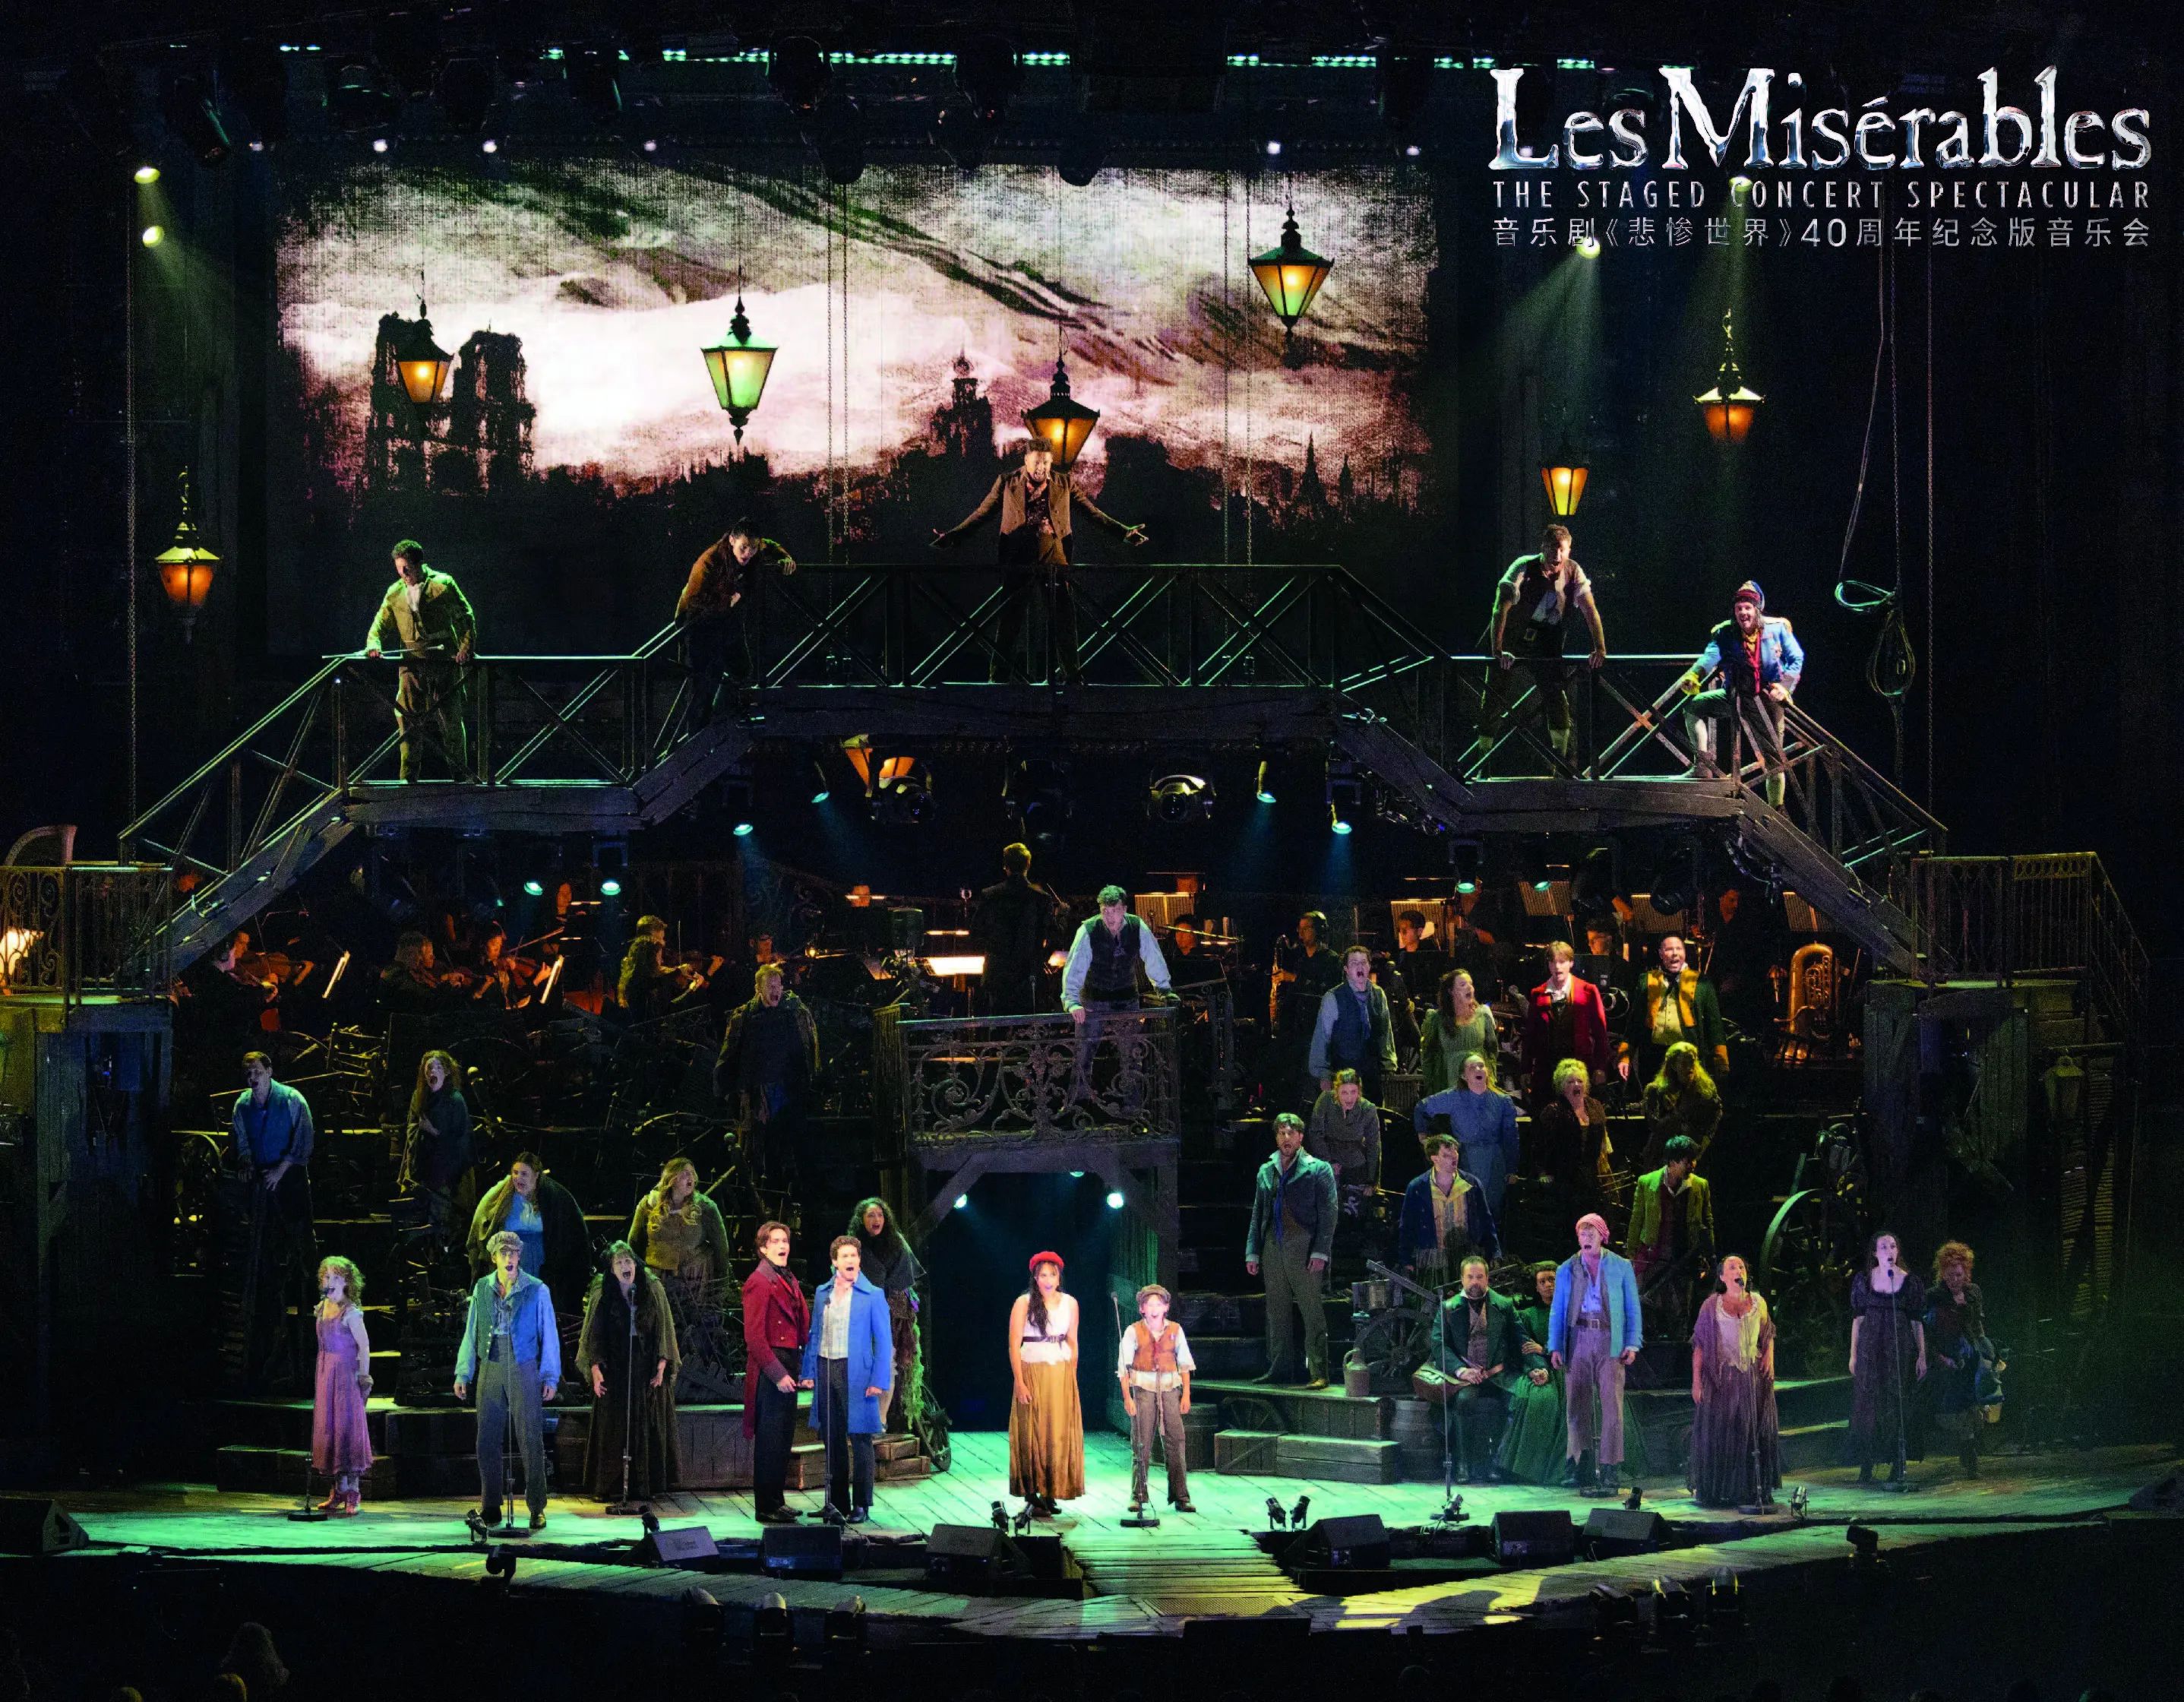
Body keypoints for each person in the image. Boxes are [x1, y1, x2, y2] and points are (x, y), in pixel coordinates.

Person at [931, 438, 1147, 684]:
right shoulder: (1007, 482)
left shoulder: (1065, 482)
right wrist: (954, 536)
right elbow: (983, 513)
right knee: (1010, 620)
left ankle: (1072, 677)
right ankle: (998, 678)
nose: (1040, 468)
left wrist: (1123, 532)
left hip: (1053, 556)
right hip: (1018, 558)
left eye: (1045, 463)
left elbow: (1091, 512)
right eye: (1036, 462)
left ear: (1051, 462)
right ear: (1026, 461)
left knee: (1063, 619)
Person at [1474, 523, 1607, 769]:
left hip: (1546, 643)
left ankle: (1561, 765)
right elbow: (1500, 609)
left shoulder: (1573, 571)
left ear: (1569, 550)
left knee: (1557, 696)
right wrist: (1498, 650)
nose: (1557, 555)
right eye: (1552, 548)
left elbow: (1590, 610)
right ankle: (1482, 763)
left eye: (1562, 549)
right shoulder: (1524, 566)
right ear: (1543, 548)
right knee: (1494, 697)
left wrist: (1600, 648)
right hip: (1512, 638)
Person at [454, 1229, 561, 1532]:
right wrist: (464, 1372)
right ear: (494, 1258)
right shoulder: (482, 1288)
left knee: (530, 1437)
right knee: (487, 1438)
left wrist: (550, 1374)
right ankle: (491, 1505)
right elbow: (471, 1331)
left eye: (513, 1252)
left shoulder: (537, 1289)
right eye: (503, 1253)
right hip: (491, 1363)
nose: (509, 1257)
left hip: (523, 1364)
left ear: (520, 1255)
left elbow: (549, 1333)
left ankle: (537, 1507)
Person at [229, 1052, 318, 1388]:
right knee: (266, 1251)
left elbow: (303, 1141)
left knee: (300, 1241)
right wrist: (246, 1163)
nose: (252, 1077)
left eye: (257, 1071)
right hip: (262, 1183)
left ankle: (312, 1294)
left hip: (290, 1178)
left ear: (269, 1071)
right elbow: (242, 1142)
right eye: (247, 1072)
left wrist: (281, 1171)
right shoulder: (242, 1106)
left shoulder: (292, 1100)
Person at [1680, 578, 1803, 803]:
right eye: (1739, 609)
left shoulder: (1776, 629)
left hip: (1766, 701)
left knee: (1775, 761)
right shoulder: (1726, 633)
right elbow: (1710, 656)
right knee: (1694, 706)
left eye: (1747, 608)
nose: (1743, 613)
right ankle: (1703, 765)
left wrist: (1785, 687)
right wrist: (1694, 675)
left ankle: (1775, 810)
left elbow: (1796, 658)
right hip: (1734, 697)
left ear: (1756, 610)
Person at [363, 539, 476, 782]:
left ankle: (461, 776)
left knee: (451, 722)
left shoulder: (442, 584)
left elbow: (466, 618)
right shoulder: (395, 592)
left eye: (407, 568)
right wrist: (374, 644)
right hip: (411, 665)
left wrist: (465, 648)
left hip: (442, 663)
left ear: (419, 564)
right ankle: (408, 778)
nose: (403, 573)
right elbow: (379, 625)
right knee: (407, 721)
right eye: (399, 568)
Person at [1547, 1213, 1644, 1496]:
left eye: (1591, 1234)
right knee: (1577, 1403)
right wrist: (1555, 1345)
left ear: (1603, 1236)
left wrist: (1632, 1343)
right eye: (1582, 1234)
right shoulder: (1567, 1268)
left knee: (1612, 1405)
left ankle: (1610, 1468)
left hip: (1609, 1338)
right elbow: (1557, 1309)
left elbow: (1632, 1307)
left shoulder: (1621, 1266)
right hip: (1578, 1337)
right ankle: (1581, 1465)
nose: (1586, 1238)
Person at [577, 1240, 681, 1502]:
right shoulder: (604, 1292)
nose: (626, 1266)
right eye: (620, 1262)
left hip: (643, 1365)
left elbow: (663, 1330)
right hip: (614, 1367)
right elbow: (595, 1334)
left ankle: (642, 1485)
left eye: (629, 1261)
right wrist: (595, 1367)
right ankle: (609, 1486)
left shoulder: (650, 1289)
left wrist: (662, 1364)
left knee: (643, 1423)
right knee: (613, 1427)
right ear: (612, 1270)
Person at [800, 1234, 893, 1525]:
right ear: (835, 1262)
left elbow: (884, 1341)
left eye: (854, 1255)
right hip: (827, 1367)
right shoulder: (823, 1293)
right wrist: (808, 1372)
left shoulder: (873, 1295)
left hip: (858, 1373)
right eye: (845, 1256)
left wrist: (879, 1379)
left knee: (861, 1437)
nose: (851, 1260)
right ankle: (836, 1502)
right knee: (832, 1437)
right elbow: (815, 1334)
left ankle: (862, 1504)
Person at [676, 517, 798, 724]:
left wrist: (785, 558)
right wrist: (728, 600)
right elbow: (696, 599)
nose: (748, 553)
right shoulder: (709, 561)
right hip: (696, 619)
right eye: (743, 548)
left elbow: (770, 545)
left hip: (723, 616)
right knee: (702, 681)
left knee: (741, 668)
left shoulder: (753, 547)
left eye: (752, 549)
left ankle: (723, 716)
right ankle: (697, 734)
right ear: (732, 541)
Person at [1245, 1114, 1336, 1388]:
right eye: (1282, 1133)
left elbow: (1329, 1213)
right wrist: (1253, 1251)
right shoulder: (1267, 1170)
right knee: (1276, 1310)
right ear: (1276, 1137)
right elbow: (1258, 1212)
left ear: (1301, 1137)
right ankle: (1279, 1368)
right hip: (1273, 1244)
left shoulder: (1318, 1169)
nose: (1287, 1138)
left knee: (1311, 1310)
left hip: (1303, 1243)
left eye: (1292, 1133)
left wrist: (1320, 1252)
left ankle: (1319, 1371)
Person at [1060, 885, 1173, 1101]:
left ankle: (1132, 1105)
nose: (1110, 917)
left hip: (1126, 998)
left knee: (1132, 1054)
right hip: (1094, 998)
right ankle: (1079, 1103)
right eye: (1105, 911)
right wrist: (1072, 1001)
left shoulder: (1137, 926)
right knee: (1084, 1053)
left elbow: (1153, 958)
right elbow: (1074, 967)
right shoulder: (1088, 929)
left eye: (1115, 911)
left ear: (1124, 909)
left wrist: (1163, 988)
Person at [714, 963, 822, 1181]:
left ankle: (788, 1184)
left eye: (778, 985)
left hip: (787, 1087)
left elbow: (807, 1047)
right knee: (759, 1144)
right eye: (770, 986)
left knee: (786, 1140)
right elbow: (730, 1054)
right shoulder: (744, 1018)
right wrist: (725, 1090)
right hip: (759, 1090)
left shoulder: (793, 1013)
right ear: (759, 989)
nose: (776, 991)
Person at [1687, 1254, 1780, 1507]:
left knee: (1751, 1433)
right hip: (1723, 1378)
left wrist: (1769, 1356)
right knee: (1724, 1433)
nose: (1739, 1270)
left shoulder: (1758, 1302)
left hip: (1751, 1376)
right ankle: (1721, 1490)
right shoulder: (1711, 1306)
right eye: (1732, 1267)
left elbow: (1768, 1333)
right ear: (1722, 1276)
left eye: (1741, 1266)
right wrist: (1696, 1382)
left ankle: (1751, 1489)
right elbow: (1699, 1346)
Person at [1422, 1257, 1525, 1483]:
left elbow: (1521, 1339)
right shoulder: (1448, 1308)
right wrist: (1461, 1370)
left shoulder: (1504, 1305)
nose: (1475, 1282)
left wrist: (1537, 1367)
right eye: (1470, 1277)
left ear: (1487, 1278)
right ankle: (1463, 1464)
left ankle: (1496, 1462)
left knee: (1517, 1401)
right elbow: (1439, 1345)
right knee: (1464, 1402)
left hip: (1498, 1374)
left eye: (1479, 1277)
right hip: (1466, 1377)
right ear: (1462, 1279)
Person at [466, 1152, 591, 1322]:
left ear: (536, 1175)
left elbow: (571, 1231)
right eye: (515, 1173)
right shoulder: (501, 1194)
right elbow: (482, 1221)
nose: (518, 1178)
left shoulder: (552, 1196)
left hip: (537, 1261)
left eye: (524, 1174)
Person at [741, 1221, 810, 1523]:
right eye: (776, 1241)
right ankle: (765, 1506)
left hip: (789, 1361)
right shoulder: (759, 1281)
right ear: (763, 1248)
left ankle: (777, 1500)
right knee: (770, 1439)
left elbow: (801, 1325)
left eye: (785, 1240)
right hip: (771, 1368)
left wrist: (803, 1367)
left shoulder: (787, 1278)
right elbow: (754, 1337)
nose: (783, 1245)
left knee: (782, 1438)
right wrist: (777, 1373)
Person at [1007, 1251, 1084, 1514]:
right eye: (1043, 1275)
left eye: (1052, 1275)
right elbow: (1014, 1344)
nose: (1048, 1280)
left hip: (1060, 1371)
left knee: (1056, 1432)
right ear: (1035, 1278)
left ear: (1059, 1277)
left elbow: (1073, 1341)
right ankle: (1032, 1493)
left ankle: (1051, 1490)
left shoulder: (1070, 1303)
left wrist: (1072, 1376)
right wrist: (1020, 1381)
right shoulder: (1024, 1303)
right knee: (1032, 1430)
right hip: (1032, 1369)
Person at [1849, 1229, 1927, 1485]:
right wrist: (1853, 1355)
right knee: (1869, 1405)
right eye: (1884, 1247)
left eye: (1893, 1246)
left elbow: (1916, 1321)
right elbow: (1858, 1320)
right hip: (1870, 1351)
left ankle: (1897, 1463)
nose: (1889, 1251)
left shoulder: (1909, 1282)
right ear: (1875, 1253)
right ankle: (1866, 1464)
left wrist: (1922, 1355)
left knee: (1897, 1403)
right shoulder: (1864, 1280)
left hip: (1899, 1351)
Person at [1116, 1283, 1196, 1514]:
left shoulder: (1175, 1330)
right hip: (1143, 1389)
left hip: (1170, 1389)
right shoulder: (1133, 1331)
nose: (1154, 1309)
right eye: (1149, 1305)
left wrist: (1186, 1394)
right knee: (1141, 1444)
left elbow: (1185, 1364)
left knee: (1176, 1442)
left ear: (1166, 1307)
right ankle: (1138, 1495)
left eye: (1158, 1304)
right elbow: (1123, 1368)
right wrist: (1127, 1398)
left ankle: (1181, 1496)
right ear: (1142, 1308)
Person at [1629, 1135, 1717, 1337]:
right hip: (1653, 1257)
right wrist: (1632, 1256)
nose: (1692, 1165)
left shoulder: (1700, 1186)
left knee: (1681, 1313)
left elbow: (1708, 1222)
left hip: (1684, 1258)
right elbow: (1636, 1220)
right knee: (1649, 1308)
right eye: (1687, 1161)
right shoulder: (1647, 1183)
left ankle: (1679, 1347)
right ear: (1672, 1162)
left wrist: (1710, 1255)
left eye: (1693, 1160)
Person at [1411, 1052, 1519, 1216]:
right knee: (1467, 1209)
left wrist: (1512, 1169)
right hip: (1465, 1159)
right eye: (1472, 1067)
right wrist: (1423, 1137)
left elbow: (1511, 1137)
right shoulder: (1453, 1097)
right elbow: (1421, 1107)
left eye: (1481, 1066)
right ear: (1464, 1075)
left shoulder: (1502, 1101)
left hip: (1495, 1160)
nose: (1478, 1069)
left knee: (1492, 1210)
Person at [849, 1197, 923, 1428]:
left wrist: (886, 1300)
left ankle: (880, 1420)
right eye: (871, 1215)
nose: (877, 1219)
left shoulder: (896, 1242)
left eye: (880, 1215)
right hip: (861, 1311)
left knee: (886, 1365)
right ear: (861, 1220)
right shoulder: (854, 1246)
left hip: (891, 1313)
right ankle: (861, 1418)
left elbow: (904, 1277)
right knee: (862, 1366)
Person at [309, 1256, 373, 1515]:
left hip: (346, 1376)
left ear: (346, 1282)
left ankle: (353, 1492)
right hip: (326, 1374)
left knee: (347, 1430)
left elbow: (364, 1347)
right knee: (330, 1430)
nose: (330, 1282)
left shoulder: (351, 1313)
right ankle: (338, 1490)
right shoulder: (323, 1307)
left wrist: (364, 1377)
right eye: (326, 1277)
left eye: (336, 1277)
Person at [1925, 1241, 1993, 1479]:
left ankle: (1970, 1453)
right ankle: (1968, 1453)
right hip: (1947, 1357)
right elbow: (1929, 1333)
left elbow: (1977, 1326)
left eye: (1959, 1275)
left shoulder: (1973, 1292)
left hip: (1970, 1354)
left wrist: (1987, 1351)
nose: (1955, 1279)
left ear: (1966, 1273)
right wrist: (1939, 1357)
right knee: (1957, 1407)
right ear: (1942, 1273)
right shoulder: (1935, 1297)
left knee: (1974, 1405)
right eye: (1950, 1274)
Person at [969, 842, 1060, 1015]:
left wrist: (993, 951)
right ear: (1028, 864)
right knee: (1027, 1025)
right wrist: (1039, 958)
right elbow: (1054, 936)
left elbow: (975, 933)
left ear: (1005, 866)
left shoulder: (990, 895)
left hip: (997, 973)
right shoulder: (1041, 898)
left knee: (998, 1024)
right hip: (1029, 973)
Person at [1397, 1132, 1501, 1281]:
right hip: (1433, 1259)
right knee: (1434, 1294)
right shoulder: (1418, 1187)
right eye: (1447, 1154)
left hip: (1467, 1256)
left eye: (1455, 1151)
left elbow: (1486, 1220)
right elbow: (1407, 1226)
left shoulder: (1471, 1184)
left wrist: (1494, 1252)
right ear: (1435, 1158)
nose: (1454, 1157)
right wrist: (1406, 1261)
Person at [1520, 940, 1613, 1104]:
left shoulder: (1588, 991)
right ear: (1548, 964)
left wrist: (1600, 1067)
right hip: (1547, 1069)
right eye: (1553, 962)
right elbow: (1530, 1035)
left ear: (1571, 963)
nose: (1557, 967)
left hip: (1578, 1068)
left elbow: (1600, 1033)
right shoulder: (1538, 994)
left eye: (1562, 962)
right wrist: (1526, 1069)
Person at [1307, 946, 1399, 1106]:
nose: (1360, 967)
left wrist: (1389, 1064)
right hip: (1344, 1075)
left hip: (1371, 1074)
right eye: (1354, 963)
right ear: (1346, 969)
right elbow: (1322, 1038)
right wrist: (1323, 1074)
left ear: (1369, 966)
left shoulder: (1378, 995)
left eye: (1363, 962)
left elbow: (1386, 1033)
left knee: (1373, 1114)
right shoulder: (1333, 998)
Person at [1636, 934, 1730, 1086]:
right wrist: (1625, 1056)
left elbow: (1714, 1023)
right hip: (1654, 1056)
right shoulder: (1647, 980)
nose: (1674, 953)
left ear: (1685, 952)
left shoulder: (1701, 982)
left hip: (1688, 1056)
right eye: (1669, 949)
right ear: (1661, 953)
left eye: (1679, 949)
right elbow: (1635, 1021)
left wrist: (1721, 1060)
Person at [399, 1049, 472, 1239]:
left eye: (438, 1067)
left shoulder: (455, 1100)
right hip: (420, 1167)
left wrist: (433, 1132)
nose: (433, 1071)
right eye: (429, 1067)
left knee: (439, 1221)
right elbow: (411, 1129)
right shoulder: (419, 1096)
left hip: (442, 1173)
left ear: (446, 1072)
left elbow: (461, 1139)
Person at [627, 1156, 732, 1286]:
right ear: (671, 1178)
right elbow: (634, 1242)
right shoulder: (648, 1205)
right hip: (657, 1281)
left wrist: (722, 1284)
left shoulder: (705, 1208)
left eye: (692, 1173)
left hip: (694, 1282)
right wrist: (637, 1277)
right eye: (685, 1174)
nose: (691, 1178)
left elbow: (721, 1248)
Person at [1529, 1058, 1612, 1220]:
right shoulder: (1553, 1111)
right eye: (1570, 1082)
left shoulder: (1595, 1106)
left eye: (1579, 1081)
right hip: (1564, 1177)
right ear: (1562, 1086)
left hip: (1590, 1176)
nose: (1576, 1085)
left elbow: (1602, 1138)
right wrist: (1543, 1172)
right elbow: (1540, 1145)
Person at [1639, 1041, 1724, 1170]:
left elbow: (1717, 1110)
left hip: (1693, 1157)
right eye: (1684, 1063)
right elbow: (1655, 1126)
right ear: (1674, 1065)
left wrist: (1706, 1139)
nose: (1690, 1068)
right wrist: (1677, 1113)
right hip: (1663, 1158)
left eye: (1692, 1062)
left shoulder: (1704, 1089)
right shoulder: (1656, 1090)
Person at [1420, 968, 1500, 1096]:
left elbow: (1492, 1050)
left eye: (1471, 984)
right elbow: (1428, 1055)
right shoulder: (1437, 1019)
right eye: (1463, 985)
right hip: (1448, 1086)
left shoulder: (1483, 1015)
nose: (1469, 987)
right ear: (1451, 991)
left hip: (1478, 1087)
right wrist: (1431, 1085)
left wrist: (1490, 1076)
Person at [1305, 1068, 1383, 1189]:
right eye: (1344, 1093)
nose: (1349, 1098)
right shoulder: (1326, 1100)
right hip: (1329, 1158)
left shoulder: (1368, 1109)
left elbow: (1374, 1146)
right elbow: (1316, 1134)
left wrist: (1372, 1181)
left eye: (1353, 1092)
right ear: (1336, 1091)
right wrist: (1328, 1162)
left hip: (1356, 1165)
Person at [618, 916, 698, 1022]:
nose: (663, 944)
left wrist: (676, 972)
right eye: (661, 939)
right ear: (650, 955)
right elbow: (666, 1013)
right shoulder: (644, 986)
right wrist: (691, 989)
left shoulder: (635, 975)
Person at [379, 931, 463, 1013]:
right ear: (410, 953)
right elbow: (426, 999)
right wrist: (449, 987)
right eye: (420, 953)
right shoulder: (396, 975)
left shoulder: (403, 970)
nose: (420, 958)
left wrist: (447, 982)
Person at [1391, 910, 1446, 1023]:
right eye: (1400, 929)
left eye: (1406, 929)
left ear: (1420, 931)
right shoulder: (1398, 956)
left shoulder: (1431, 956)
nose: (1402, 933)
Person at [1163, 914, 1227, 990]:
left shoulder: (1204, 958)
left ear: (1194, 934)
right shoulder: (1175, 956)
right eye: (1177, 932)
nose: (1180, 936)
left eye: (1184, 932)